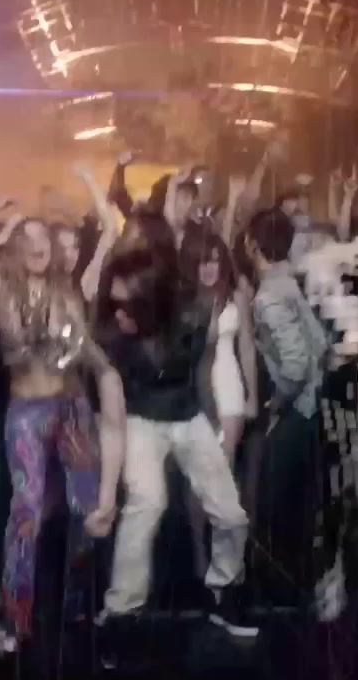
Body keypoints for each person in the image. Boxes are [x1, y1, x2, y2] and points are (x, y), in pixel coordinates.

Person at [0, 166, 126, 643]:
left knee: (85, 510)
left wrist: (90, 182)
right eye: (31, 239)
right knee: (28, 513)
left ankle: (77, 603)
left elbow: (111, 230)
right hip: (27, 414)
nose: (40, 245)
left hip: (71, 409)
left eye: (45, 238)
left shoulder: (70, 288)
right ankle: (16, 615)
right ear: (18, 249)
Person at [95, 216, 257, 650]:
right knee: (147, 503)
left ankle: (223, 590)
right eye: (115, 304)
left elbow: (202, 369)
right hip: (140, 419)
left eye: (127, 306)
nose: (119, 312)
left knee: (231, 514)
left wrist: (218, 421)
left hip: (187, 416)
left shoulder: (194, 311)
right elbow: (111, 409)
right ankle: (120, 613)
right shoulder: (112, 331)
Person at [243, 208, 332, 608]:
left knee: (277, 505)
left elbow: (295, 365)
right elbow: (320, 344)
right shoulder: (287, 281)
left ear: (252, 244)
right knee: (299, 505)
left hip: (297, 408)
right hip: (315, 404)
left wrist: (275, 405)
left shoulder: (268, 296)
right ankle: (299, 591)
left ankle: (281, 595)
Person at [178, 227, 260, 578]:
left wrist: (252, 395)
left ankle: (227, 563)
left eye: (214, 260)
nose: (209, 268)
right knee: (196, 483)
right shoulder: (184, 301)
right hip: (195, 391)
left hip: (228, 388)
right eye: (201, 262)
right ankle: (199, 556)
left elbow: (247, 348)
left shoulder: (235, 296)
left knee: (222, 477)